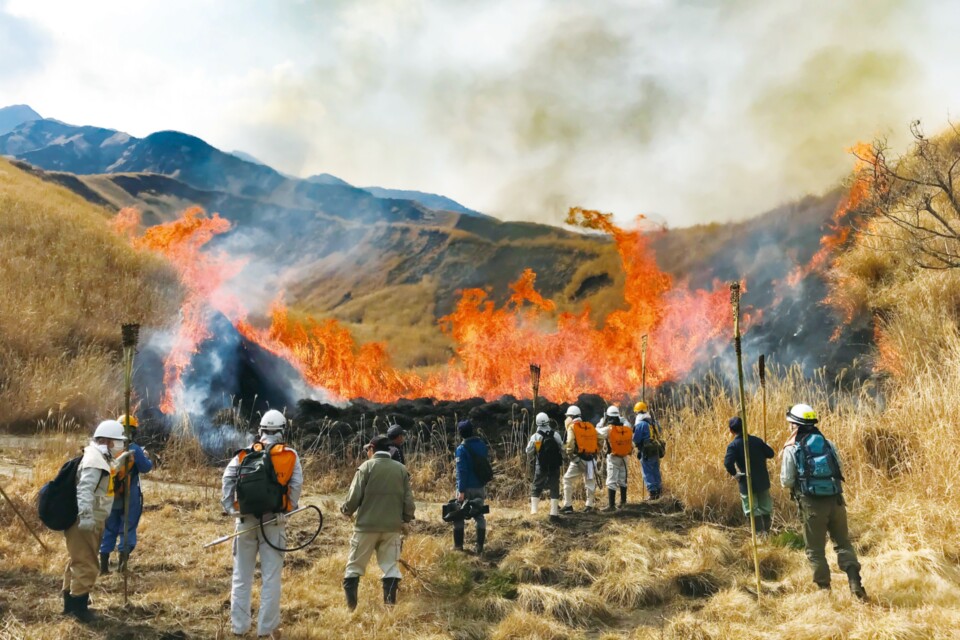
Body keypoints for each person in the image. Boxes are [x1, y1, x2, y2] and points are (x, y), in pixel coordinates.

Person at [221, 410, 303, 638]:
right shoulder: (290, 456)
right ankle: (265, 631)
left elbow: (227, 479)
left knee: (241, 576)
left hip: (245, 521)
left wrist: (230, 508)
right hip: (274, 522)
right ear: (282, 430)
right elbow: (296, 487)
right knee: (271, 577)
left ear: (261, 431)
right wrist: (288, 509)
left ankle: (239, 628)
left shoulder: (245, 454)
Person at [780, 403, 867, 600]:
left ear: (796, 425)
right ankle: (855, 585)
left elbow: (786, 481)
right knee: (843, 543)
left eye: (790, 423)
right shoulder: (828, 443)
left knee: (815, 550)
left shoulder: (792, 448)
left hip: (811, 504)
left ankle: (824, 593)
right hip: (836, 501)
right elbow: (840, 469)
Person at [341, 435, 416, 610]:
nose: (367, 452)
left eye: (368, 449)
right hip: (392, 528)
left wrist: (346, 510)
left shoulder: (366, 467)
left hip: (366, 527)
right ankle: (389, 608)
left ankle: (351, 609)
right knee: (390, 567)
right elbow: (409, 501)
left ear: (372, 449)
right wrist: (405, 519)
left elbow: (354, 497)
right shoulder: (401, 469)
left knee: (354, 567)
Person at [62, 420, 126, 623]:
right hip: (86, 521)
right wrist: (87, 517)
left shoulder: (98, 456)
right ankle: (79, 610)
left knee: (78, 561)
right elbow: (85, 488)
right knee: (87, 564)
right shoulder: (94, 460)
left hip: (90, 519)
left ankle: (71, 604)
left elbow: (103, 475)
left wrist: (120, 462)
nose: (120, 445)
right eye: (118, 442)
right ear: (107, 440)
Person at [99, 414, 153, 575]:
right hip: (131, 495)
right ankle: (123, 564)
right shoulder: (134, 449)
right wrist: (147, 458)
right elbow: (146, 468)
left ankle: (103, 567)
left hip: (110, 494)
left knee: (109, 528)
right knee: (127, 527)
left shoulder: (108, 448)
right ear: (134, 431)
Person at [723, 416, 775, 533]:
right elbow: (770, 453)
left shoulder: (733, 446)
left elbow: (727, 463)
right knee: (765, 508)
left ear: (731, 431)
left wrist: (735, 474)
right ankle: (767, 533)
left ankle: (758, 536)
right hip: (762, 480)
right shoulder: (757, 440)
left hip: (746, 482)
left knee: (751, 510)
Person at [453, 419, 490, 553]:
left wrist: (461, 490)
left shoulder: (461, 449)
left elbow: (462, 471)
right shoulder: (481, 445)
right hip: (480, 486)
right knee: (479, 515)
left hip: (466, 487)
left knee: (458, 516)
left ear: (460, 433)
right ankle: (479, 547)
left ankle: (458, 547)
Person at [525, 412, 564, 522]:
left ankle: (534, 511)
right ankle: (554, 513)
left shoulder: (536, 436)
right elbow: (562, 448)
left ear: (537, 423)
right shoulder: (555, 434)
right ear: (548, 421)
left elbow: (529, 451)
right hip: (555, 466)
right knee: (554, 487)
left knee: (537, 485)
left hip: (541, 465)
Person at [561, 405, 599, 513]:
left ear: (571, 416)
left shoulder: (572, 427)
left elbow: (570, 443)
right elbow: (600, 438)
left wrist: (570, 455)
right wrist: (596, 451)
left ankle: (568, 506)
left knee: (567, 479)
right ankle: (589, 506)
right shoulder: (590, 426)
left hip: (579, 459)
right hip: (591, 460)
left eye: (568, 416)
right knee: (590, 482)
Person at [596, 405, 634, 511]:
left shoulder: (608, 429)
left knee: (611, 481)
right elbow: (628, 424)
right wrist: (622, 418)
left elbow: (596, 432)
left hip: (613, 457)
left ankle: (611, 506)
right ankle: (623, 502)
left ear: (608, 417)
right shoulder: (626, 427)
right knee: (623, 480)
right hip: (625, 457)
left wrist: (601, 421)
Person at [632, 402, 664, 499]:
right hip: (656, 449)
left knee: (647, 471)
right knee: (655, 470)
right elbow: (660, 432)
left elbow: (636, 439)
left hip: (646, 451)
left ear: (638, 413)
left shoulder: (640, 424)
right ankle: (658, 491)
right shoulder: (654, 422)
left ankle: (652, 493)